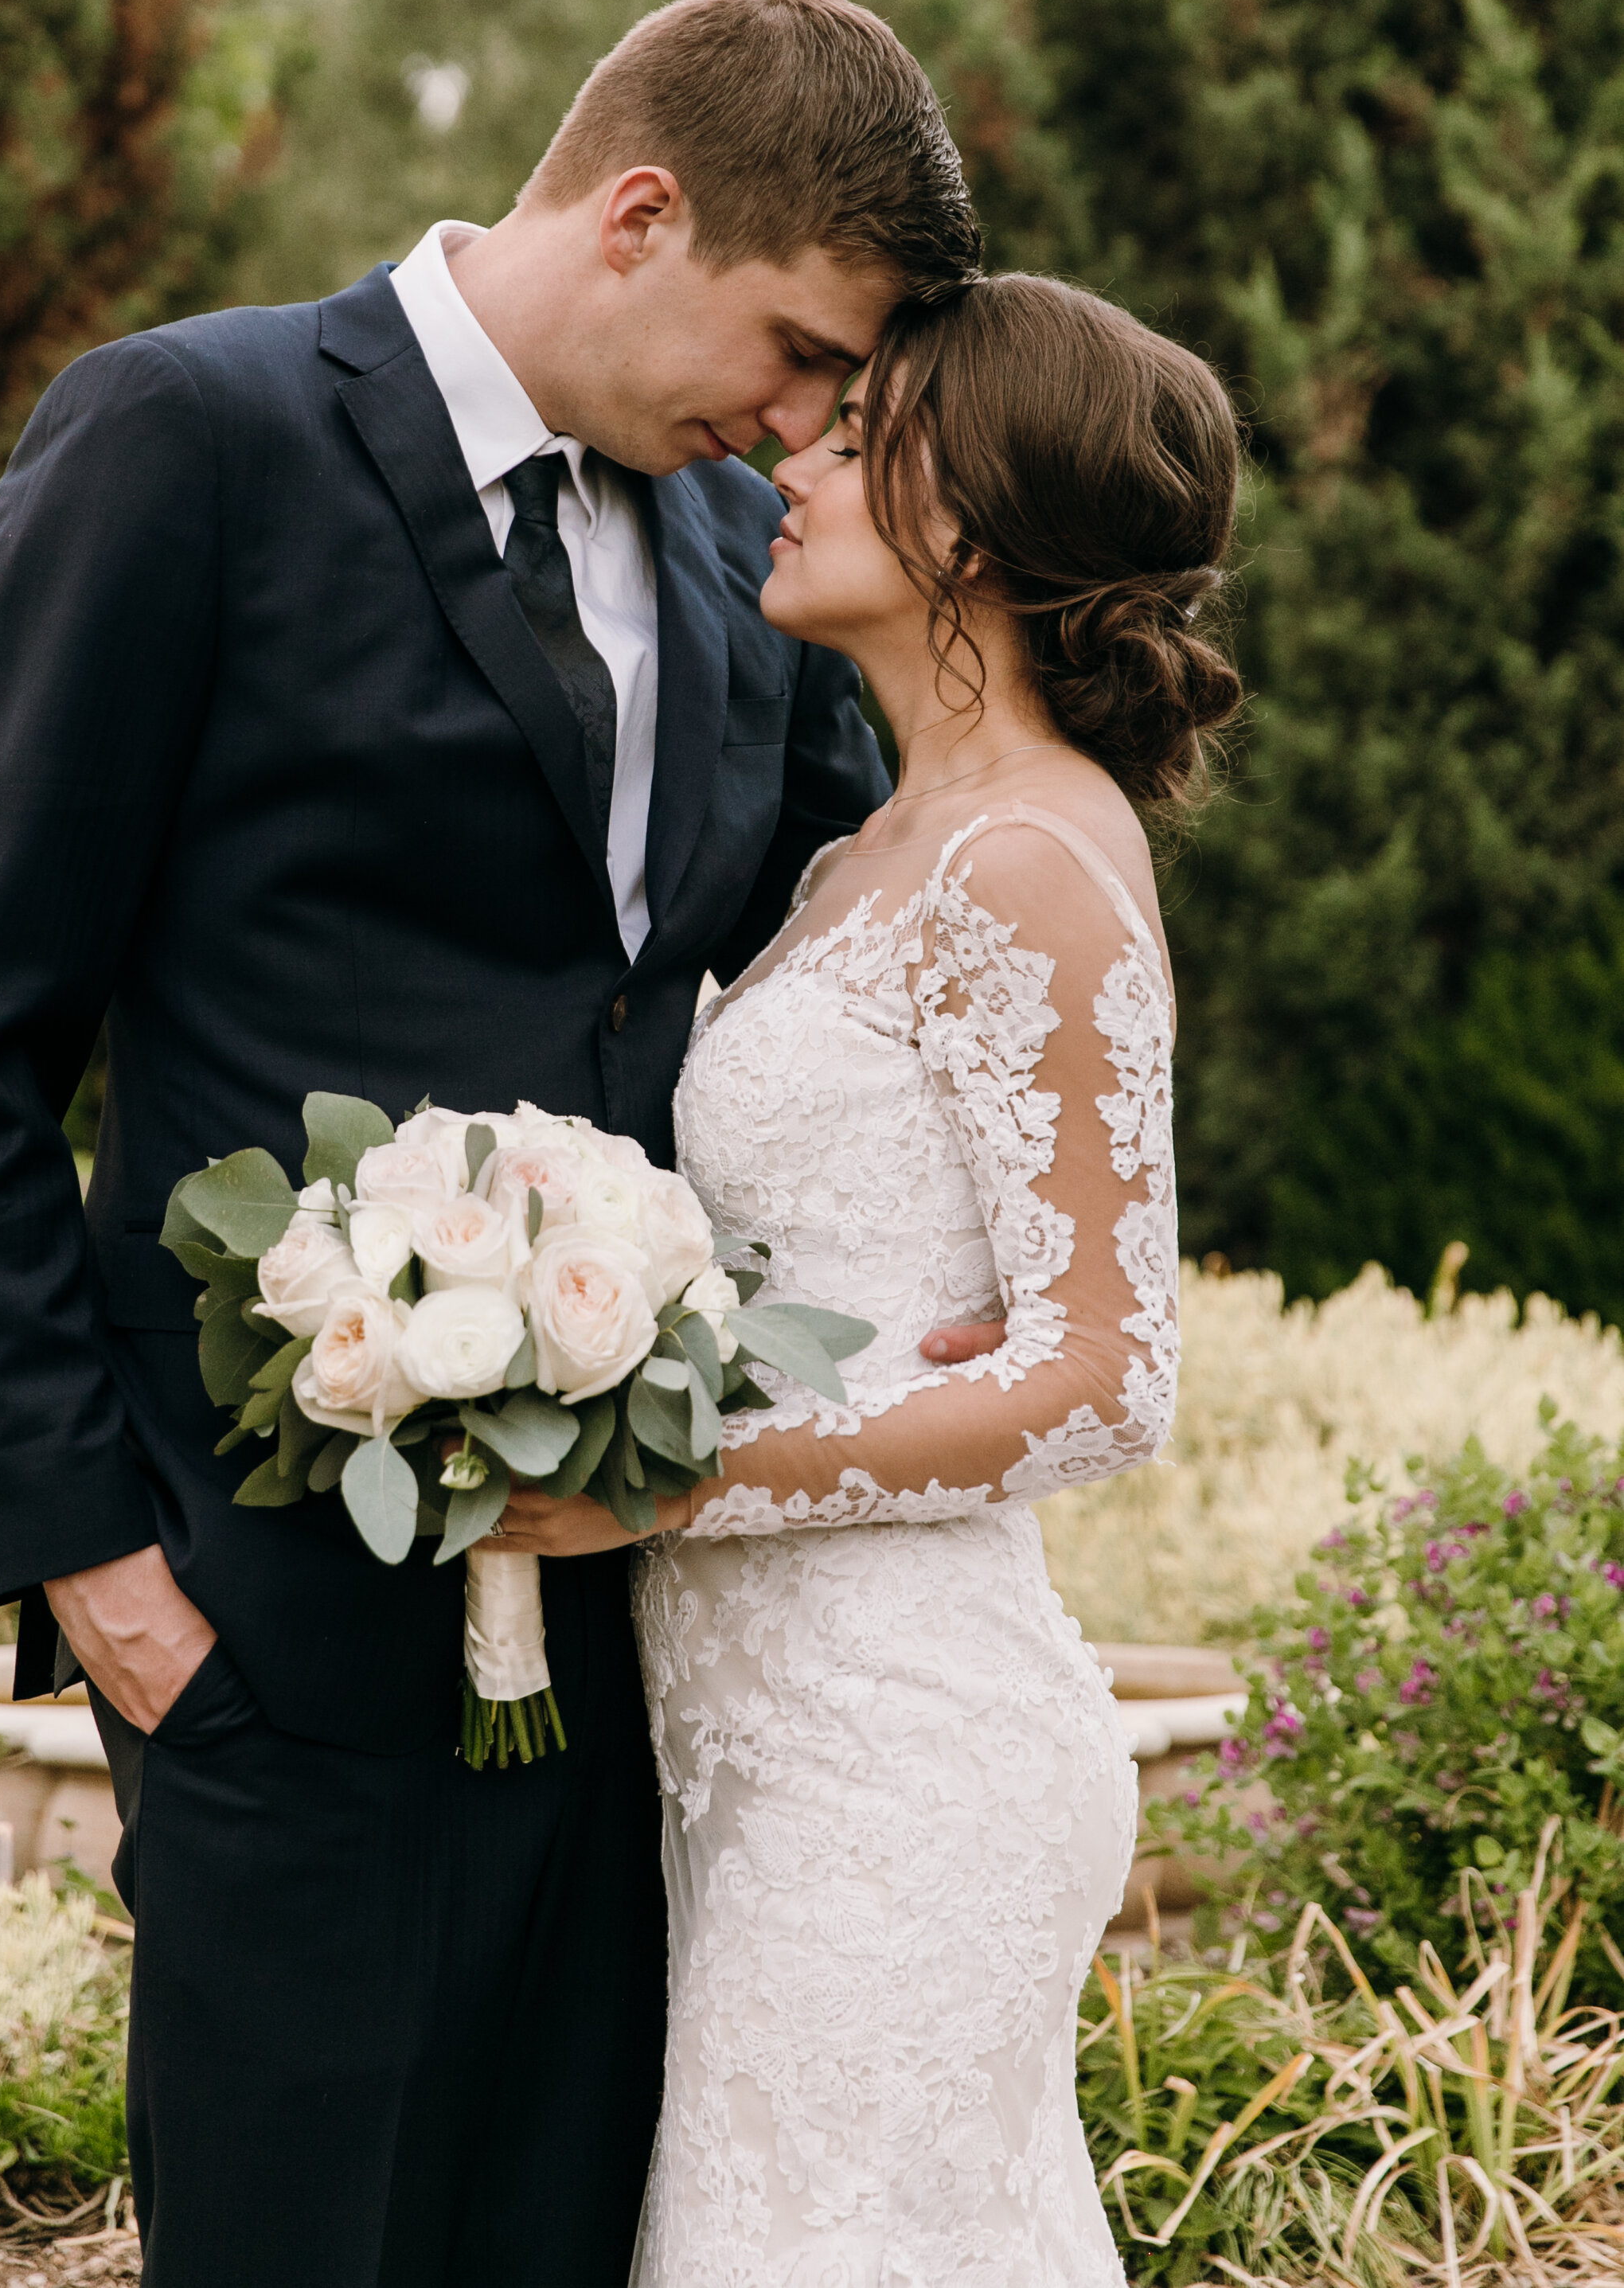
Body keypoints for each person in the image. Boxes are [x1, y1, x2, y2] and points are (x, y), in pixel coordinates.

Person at [0, 0, 997, 2288]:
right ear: (642, 209)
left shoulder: (728, 562)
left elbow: (827, 1004)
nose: (793, 424)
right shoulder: (188, 435)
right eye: (786, 349)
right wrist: (94, 1563)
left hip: (633, 1635)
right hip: (266, 1615)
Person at [491, 271, 1244, 2286]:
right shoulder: (867, 851)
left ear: (966, 526)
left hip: (905, 1754)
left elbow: (1103, 1375)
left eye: (852, 435)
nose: (790, 463)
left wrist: (664, 1479)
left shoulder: (1025, 863)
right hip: (761, 1739)